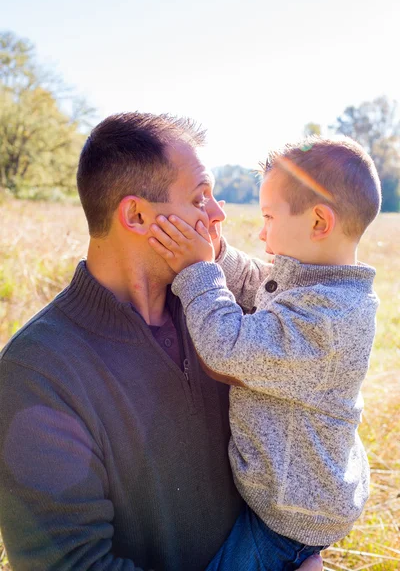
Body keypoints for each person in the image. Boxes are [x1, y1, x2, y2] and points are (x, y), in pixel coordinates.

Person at [0, 112, 323, 571]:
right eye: (200, 198)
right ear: (135, 215)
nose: (218, 213)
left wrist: (303, 552)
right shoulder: (38, 371)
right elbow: (72, 563)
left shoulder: (223, 310)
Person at [147, 135, 381, 570]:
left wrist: (198, 271)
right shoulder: (317, 286)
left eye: (269, 217)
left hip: (291, 515)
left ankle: (302, 558)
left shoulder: (327, 318)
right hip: (299, 488)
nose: (261, 232)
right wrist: (218, 254)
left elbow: (228, 347)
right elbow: (262, 284)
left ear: (318, 223)